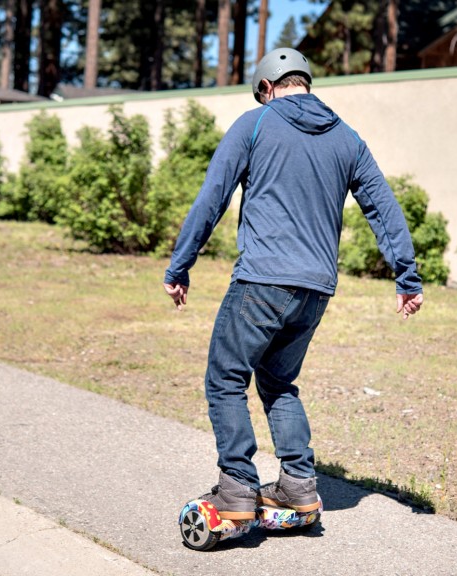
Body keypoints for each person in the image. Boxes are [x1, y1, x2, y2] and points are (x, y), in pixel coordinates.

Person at [163, 47, 424, 521]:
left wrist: (179, 266)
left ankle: (236, 487)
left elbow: (213, 197)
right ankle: (298, 485)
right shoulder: (347, 137)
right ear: (305, 82)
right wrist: (406, 276)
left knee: (225, 377)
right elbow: (384, 208)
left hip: (262, 280)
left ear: (266, 87)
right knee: (278, 380)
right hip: (316, 290)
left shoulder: (255, 123)